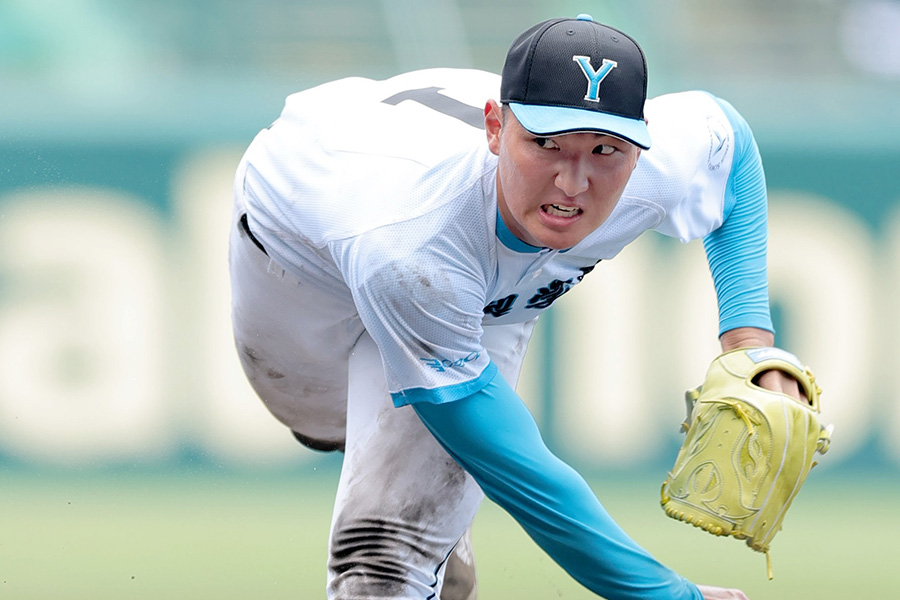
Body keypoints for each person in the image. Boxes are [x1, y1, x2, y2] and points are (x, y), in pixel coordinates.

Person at [229, 14, 798, 600]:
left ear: (640, 140)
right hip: (300, 272)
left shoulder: (658, 161)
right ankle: (430, 525)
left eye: (605, 149)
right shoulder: (409, 242)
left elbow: (728, 140)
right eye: (546, 144)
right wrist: (662, 594)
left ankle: (422, 540)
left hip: (469, 297)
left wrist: (749, 341)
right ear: (496, 128)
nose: (573, 183)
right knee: (338, 425)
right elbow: (518, 468)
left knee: (381, 564)